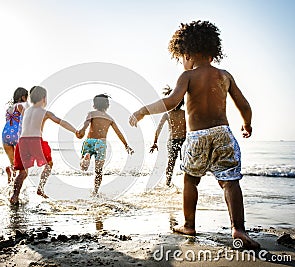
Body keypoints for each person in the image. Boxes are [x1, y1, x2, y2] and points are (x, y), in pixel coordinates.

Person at [129, 21, 260, 249]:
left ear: (187, 52)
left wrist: (142, 111)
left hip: (197, 137)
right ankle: (238, 229)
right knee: (230, 181)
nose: (182, 62)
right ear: (212, 50)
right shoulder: (225, 75)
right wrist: (247, 124)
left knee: (190, 179)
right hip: (223, 134)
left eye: (181, 57)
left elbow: (171, 102)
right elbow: (244, 105)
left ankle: (189, 224)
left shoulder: (187, 76)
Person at [10, 86, 78, 204]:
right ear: (44, 98)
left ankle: (14, 196)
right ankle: (40, 188)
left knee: (23, 172)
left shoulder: (26, 111)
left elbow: (15, 109)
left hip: (22, 142)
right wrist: (75, 131)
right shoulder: (45, 112)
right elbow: (60, 121)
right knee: (49, 164)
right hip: (35, 141)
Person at [77, 94, 134, 196]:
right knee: (98, 171)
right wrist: (126, 145)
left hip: (90, 141)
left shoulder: (91, 113)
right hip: (101, 144)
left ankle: (86, 157)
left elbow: (86, 124)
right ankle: (95, 191)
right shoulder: (110, 118)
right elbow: (118, 132)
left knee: (83, 168)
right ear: (107, 105)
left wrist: (82, 130)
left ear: (94, 105)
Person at [150, 86, 186, 187]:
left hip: (182, 141)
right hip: (175, 141)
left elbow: (158, 129)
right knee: (172, 163)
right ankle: (168, 183)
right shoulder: (169, 114)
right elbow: (158, 129)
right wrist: (155, 142)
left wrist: (155, 142)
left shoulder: (182, 114)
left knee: (175, 163)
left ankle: (174, 183)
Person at [2, 87, 29, 183]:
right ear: (23, 97)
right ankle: (15, 192)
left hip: (5, 135)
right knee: (24, 168)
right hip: (17, 135)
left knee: (14, 163)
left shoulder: (9, 108)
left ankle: (10, 174)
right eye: (27, 97)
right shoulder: (21, 105)